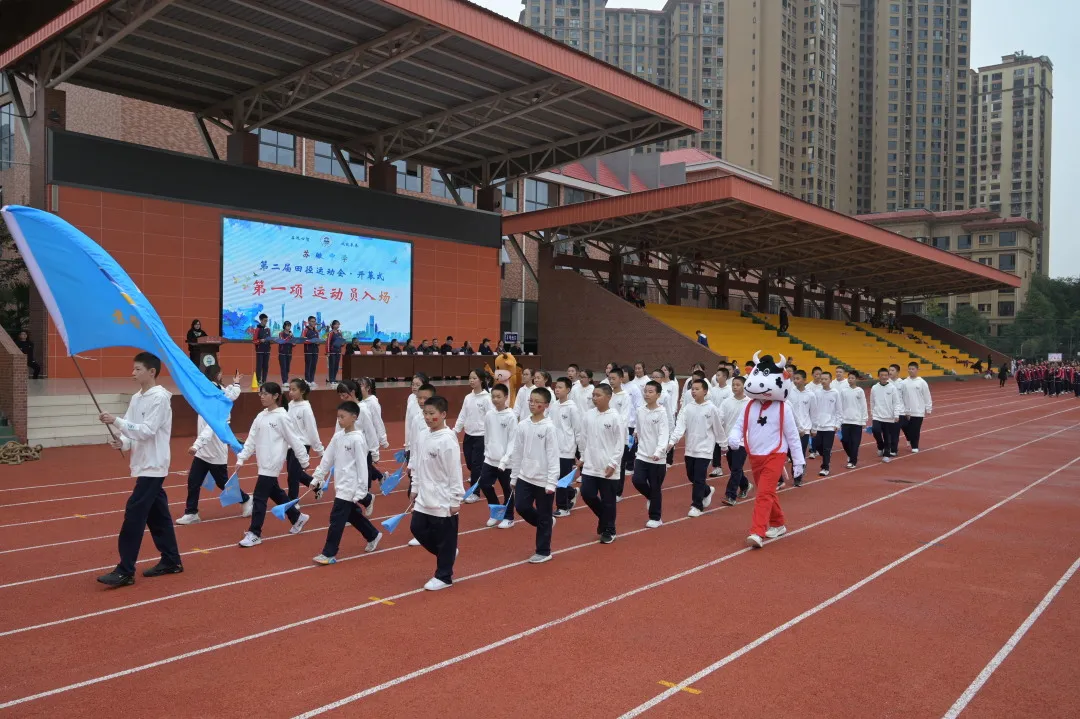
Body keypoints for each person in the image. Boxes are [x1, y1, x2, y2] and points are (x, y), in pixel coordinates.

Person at [95, 352, 182, 587]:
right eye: (133, 369)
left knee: (134, 513)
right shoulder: (136, 398)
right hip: (142, 464)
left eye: (138, 369)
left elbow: (147, 430)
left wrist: (116, 421)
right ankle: (171, 560)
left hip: (154, 465)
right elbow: (131, 434)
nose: (133, 373)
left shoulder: (160, 398)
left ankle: (125, 569)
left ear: (151, 372)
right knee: (158, 514)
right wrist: (122, 442)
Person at [726, 354, 804, 549]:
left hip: (776, 454)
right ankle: (778, 524)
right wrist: (734, 438)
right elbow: (738, 425)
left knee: (763, 494)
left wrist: (798, 461)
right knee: (767, 493)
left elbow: (793, 436)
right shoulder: (749, 406)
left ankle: (757, 531)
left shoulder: (783, 408)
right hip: (755, 455)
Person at [234, 382, 311, 547]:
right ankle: (297, 517)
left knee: (260, 497)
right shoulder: (261, 416)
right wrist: (242, 458)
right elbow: (251, 439)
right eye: (260, 394)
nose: (261, 396)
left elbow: (294, 440)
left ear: (276, 396)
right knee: (275, 492)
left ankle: (255, 533)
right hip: (262, 462)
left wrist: (304, 460)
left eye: (265, 394)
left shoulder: (282, 417)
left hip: (273, 463)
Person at [176, 365, 252, 525]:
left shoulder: (216, 399)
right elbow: (232, 394)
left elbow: (209, 429)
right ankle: (191, 513)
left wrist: (196, 445)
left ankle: (246, 499)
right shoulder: (215, 392)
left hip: (215, 450)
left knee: (222, 483)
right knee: (193, 481)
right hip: (203, 452)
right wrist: (236, 383)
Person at [310, 401, 383, 565]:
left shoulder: (358, 439)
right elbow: (327, 458)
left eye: (342, 417)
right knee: (352, 515)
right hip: (340, 484)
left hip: (350, 486)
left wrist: (362, 490)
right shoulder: (338, 436)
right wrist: (317, 477)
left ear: (354, 417)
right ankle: (372, 534)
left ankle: (329, 553)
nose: (339, 420)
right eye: (338, 417)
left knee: (336, 518)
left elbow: (363, 467)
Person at [408, 395, 463, 591]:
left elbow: (454, 471)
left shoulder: (447, 440)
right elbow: (417, 464)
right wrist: (415, 487)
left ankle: (444, 576)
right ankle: (447, 553)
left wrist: (456, 498)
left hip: (443, 498)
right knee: (417, 527)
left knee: (445, 535)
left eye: (432, 414)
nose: (428, 417)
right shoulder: (424, 435)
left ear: (443, 415)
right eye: (425, 413)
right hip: (424, 496)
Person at [507, 387, 560, 562]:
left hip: (543, 479)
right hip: (524, 476)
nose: (533, 404)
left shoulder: (549, 428)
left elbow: (553, 456)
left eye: (537, 402)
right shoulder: (523, 425)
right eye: (531, 400)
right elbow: (517, 452)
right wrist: (514, 477)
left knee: (544, 513)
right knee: (521, 506)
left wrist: (552, 482)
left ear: (545, 405)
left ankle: (543, 551)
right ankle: (545, 524)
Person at [670, 378, 724, 517]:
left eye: (697, 389)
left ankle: (696, 505)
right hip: (690, 449)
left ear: (705, 391)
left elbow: (718, 428)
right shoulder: (688, 408)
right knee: (691, 476)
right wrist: (672, 441)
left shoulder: (711, 408)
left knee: (699, 477)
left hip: (705, 450)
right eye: (692, 389)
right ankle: (707, 491)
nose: (694, 391)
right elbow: (680, 427)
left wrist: (723, 444)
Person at [578, 384, 625, 544]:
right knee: (587, 494)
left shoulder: (614, 417)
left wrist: (613, 463)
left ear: (608, 397)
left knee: (608, 500)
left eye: (598, 395)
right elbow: (583, 438)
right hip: (590, 466)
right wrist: (583, 457)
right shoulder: (588, 415)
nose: (594, 398)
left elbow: (620, 443)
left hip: (608, 467)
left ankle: (610, 530)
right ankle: (604, 520)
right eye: (593, 395)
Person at [632, 380, 670, 528]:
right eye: (645, 391)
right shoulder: (640, 410)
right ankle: (651, 498)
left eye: (650, 392)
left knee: (655, 487)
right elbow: (639, 427)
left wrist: (659, 451)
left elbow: (663, 433)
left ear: (658, 395)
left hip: (657, 458)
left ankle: (655, 517)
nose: (647, 394)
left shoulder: (662, 413)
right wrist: (636, 432)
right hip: (642, 454)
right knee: (637, 480)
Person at [481, 383, 517, 528]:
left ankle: (509, 517)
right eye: (493, 396)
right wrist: (487, 453)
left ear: (506, 397)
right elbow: (487, 436)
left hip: (506, 462)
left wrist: (505, 459)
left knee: (506, 489)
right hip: (490, 459)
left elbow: (512, 441)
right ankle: (496, 512)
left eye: (498, 397)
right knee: (484, 484)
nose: (495, 399)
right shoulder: (490, 414)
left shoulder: (511, 416)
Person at [454, 369, 493, 500]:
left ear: (481, 380)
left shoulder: (487, 398)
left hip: (481, 436)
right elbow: (462, 414)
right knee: (470, 463)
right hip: (468, 434)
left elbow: (492, 418)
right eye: (470, 378)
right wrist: (455, 430)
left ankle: (475, 493)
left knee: (476, 465)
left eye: (474, 378)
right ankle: (483, 475)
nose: (471, 380)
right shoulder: (468, 397)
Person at [285, 378, 324, 501]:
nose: (290, 392)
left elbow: (312, 430)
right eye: (289, 389)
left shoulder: (306, 408)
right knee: (296, 473)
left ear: (302, 391)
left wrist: (319, 450)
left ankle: (293, 501)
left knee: (292, 475)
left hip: (302, 445)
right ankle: (316, 485)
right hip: (290, 445)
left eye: (294, 390)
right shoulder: (290, 405)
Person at [550, 377, 583, 518]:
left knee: (562, 478)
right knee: (555, 477)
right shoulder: (553, 406)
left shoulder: (572, 408)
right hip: (553, 448)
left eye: (561, 387)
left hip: (567, 448)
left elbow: (578, 430)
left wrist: (580, 451)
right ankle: (571, 493)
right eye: (556, 387)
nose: (557, 389)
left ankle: (563, 507)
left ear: (568, 390)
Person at [718, 376, 751, 504]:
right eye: (733, 385)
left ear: (744, 386)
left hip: (743, 441)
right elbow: (720, 419)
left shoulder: (750, 402)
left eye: (738, 385)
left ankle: (730, 495)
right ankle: (745, 485)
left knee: (736, 467)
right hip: (728, 439)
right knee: (734, 468)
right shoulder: (726, 402)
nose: (735, 387)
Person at [786, 369, 816, 487]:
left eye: (798, 379)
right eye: (794, 379)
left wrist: (814, 429)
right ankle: (800, 467)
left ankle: (797, 477)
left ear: (804, 380)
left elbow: (813, 412)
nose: (795, 381)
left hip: (805, 429)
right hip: (790, 428)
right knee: (789, 452)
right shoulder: (789, 393)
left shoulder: (810, 395)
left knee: (800, 453)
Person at [810, 371, 842, 476]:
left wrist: (837, 424)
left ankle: (825, 467)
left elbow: (838, 410)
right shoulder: (817, 393)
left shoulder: (835, 393)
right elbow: (813, 410)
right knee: (818, 446)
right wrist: (813, 425)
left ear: (830, 380)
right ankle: (826, 456)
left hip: (830, 426)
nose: (823, 381)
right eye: (822, 379)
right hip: (818, 426)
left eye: (825, 379)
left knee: (827, 448)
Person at [870, 368, 903, 462]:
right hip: (877, 415)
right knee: (875, 430)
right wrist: (872, 412)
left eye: (885, 375)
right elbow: (872, 401)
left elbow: (896, 402)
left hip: (889, 416)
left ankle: (886, 454)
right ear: (878, 376)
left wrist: (896, 415)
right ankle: (880, 446)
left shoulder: (892, 388)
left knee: (887, 436)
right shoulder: (874, 388)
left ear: (888, 376)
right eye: (882, 375)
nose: (884, 377)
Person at [899, 362, 932, 453]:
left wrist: (928, 407)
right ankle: (909, 439)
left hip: (918, 410)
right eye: (909, 369)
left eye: (913, 369)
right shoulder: (904, 382)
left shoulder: (922, 382)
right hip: (906, 410)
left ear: (917, 370)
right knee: (904, 426)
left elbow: (927, 395)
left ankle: (915, 446)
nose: (911, 370)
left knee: (915, 429)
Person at [839, 370, 868, 469]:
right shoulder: (843, 391)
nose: (850, 380)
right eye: (849, 378)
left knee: (855, 442)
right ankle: (851, 455)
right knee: (845, 440)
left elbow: (863, 406)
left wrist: (864, 420)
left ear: (856, 379)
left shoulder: (859, 391)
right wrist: (840, 419)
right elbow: (840, 405)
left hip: (857, 421)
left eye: (852, 378)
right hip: (845, 420)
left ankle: (853, 461)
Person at [301, 316, 320, 387]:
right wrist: (311, 341)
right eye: (312, 321)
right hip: (308, 350)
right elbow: (303, 339)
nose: (313, 323)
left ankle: (312, 380)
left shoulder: (316, 330)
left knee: (314, 366)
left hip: (315, 350)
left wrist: (318, 342)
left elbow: (318, 339)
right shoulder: (305, 330)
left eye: (314, 321)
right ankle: (307, 380)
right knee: (308, 365)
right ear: (308, 322)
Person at [253, 313, 271, 385]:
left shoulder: (268, 329)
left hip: (267, 350)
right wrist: (260, 340)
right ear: (260, 320)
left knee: (266, 366)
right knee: (259, 366)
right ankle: (258, 380)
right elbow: (254, 340)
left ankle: (264, 380)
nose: (266, 322)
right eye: (264, 320)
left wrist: (272, 340)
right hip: (259, 350)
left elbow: (269, 338)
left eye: (267, 321)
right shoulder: (257, 329)